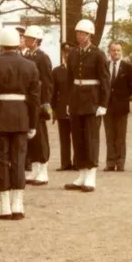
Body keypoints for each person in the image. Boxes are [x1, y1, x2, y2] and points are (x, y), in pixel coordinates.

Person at [0, 28, 40, 220]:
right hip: (22, 117)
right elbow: (34, 98)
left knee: (0, 160)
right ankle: (18, 205)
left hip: (0, 117)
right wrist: (33, 124)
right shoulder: (30, 66)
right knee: (19, 161)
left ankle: (4, 205)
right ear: (17, 43)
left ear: (1, 44)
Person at [64, 19, 109, 192]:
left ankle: (91, 175)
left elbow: (105, 80)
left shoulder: (98, 54)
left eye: (82, 33)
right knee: (78, 137)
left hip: (92, 99)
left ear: (89, 35)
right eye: (77, 33)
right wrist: (68, 101)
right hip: (76, 99)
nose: (79, 36)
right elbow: (69, 79)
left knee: (91, 138)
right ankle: (81, 173)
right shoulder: (74, 53)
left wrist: (103, 103)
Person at [21, 26, 54, 186]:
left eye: (29, 38)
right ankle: (34, 168)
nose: (26, 40)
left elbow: (47, 82)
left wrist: (45, 103)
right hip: (28, 101)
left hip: (38, 101)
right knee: (31, 137)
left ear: (36, 40)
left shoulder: (42, 58)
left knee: (40, 136)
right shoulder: (26, 55)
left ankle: (43, 170)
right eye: (25, 38)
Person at [104, 41, 132, 172]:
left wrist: (124, 97)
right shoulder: (105, 65)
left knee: (120, 136)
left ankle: (120, 162)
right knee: (109, 135)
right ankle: (110, 162)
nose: (116, 53)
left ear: (121, 52)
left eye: (118, 50)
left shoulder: (127, 67)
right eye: (113, 50)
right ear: (109, 52)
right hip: (107, 106)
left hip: (121, 106)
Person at [52, 43, 74, 171]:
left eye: (69, 53)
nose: (67, 55)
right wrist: (53, 109)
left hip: (75, 107)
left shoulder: (78, 71)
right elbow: (54, 92)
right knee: (64, 137)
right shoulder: (57, 71)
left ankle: (77, 162)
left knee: (77, 138)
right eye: (65, 53)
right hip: (61, 108)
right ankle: (65, 162)